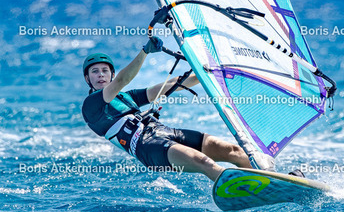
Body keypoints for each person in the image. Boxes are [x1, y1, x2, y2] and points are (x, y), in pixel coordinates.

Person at [81, 38, 254, 181]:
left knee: (234, 151)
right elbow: (122, 80)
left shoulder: (128, 96)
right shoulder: (90, 106)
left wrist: (209, 72)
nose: (101, 74)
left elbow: (173, 84)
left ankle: (264, 179)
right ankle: (241, 191)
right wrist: (145, 51)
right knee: (204, 162)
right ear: (88, 79)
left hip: (165, 132)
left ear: (111, 74)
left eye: (105, 70)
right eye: (95, 71)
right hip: (147, 147)